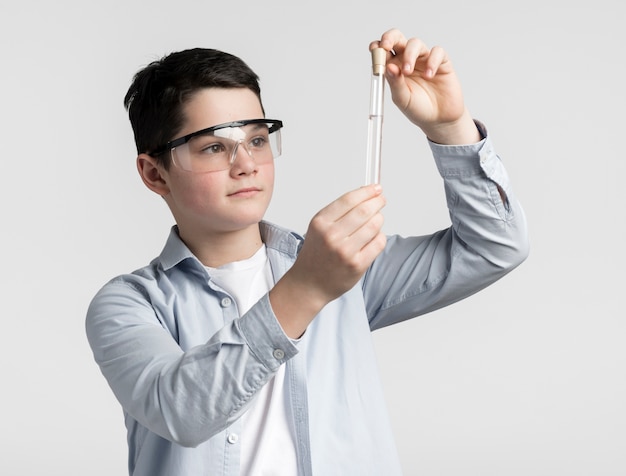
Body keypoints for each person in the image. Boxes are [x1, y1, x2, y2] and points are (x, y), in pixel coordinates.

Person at [86, 28, 529, 476]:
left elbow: (495, 246)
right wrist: (309, 286)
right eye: (215, 146)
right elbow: (182, 411)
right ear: (154, 173)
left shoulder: (343, 268)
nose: (246, 164)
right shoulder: (128, 305)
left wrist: (449, 126)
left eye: (257, 139)